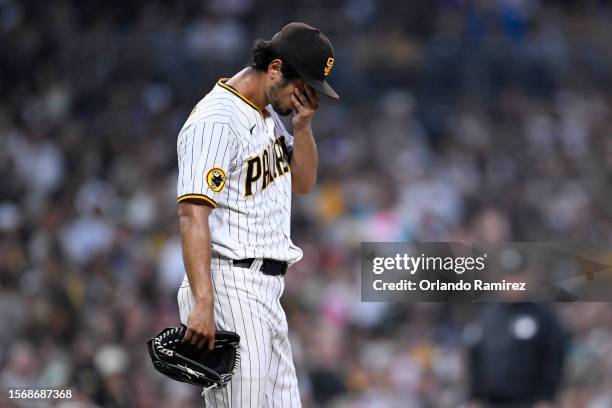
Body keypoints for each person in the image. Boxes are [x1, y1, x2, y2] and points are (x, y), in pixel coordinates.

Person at [175, 22, 338, 407]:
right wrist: (203, 301)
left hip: (266, 291)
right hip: (230, 284)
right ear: (276, 69)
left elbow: (303, 182)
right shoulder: (216, 120)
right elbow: (191, 214)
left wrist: (303, 127)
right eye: (304, 86)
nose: (308, 96)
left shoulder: (267, 115)